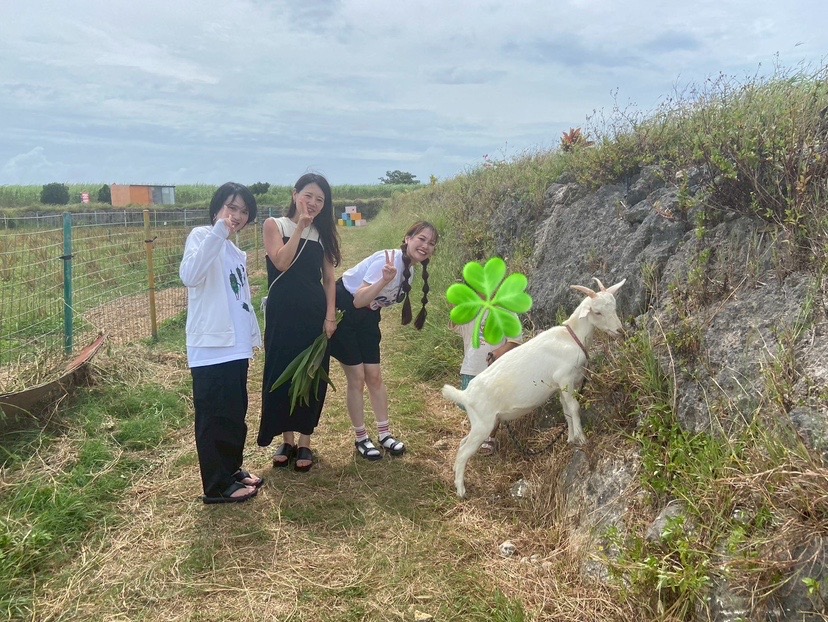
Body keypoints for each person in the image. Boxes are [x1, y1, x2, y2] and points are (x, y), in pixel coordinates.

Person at [179, 182, 263, 504]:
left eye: (243, 211)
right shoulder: (202, 236)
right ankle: (216, 486)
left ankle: (231, 469)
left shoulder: (236, 252)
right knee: (213, 418)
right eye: (231, 207)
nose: (237, 215)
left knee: (234, 413)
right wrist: (217, 232)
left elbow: (240, 299)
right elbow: (190, 275)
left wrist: (251, 337)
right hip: (211, 349)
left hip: (235, 347)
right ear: (216, 210)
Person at [328, 221, 439, 460]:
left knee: (375, 376)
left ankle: (385, 433)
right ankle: (361, 438)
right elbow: (358, 300)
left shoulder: (411, 269)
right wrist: (384, 280)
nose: (425, 246)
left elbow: (372, 304)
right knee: (357, 378)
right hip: (344, 310)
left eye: (431, 243)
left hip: (368, 316)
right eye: (421, 238)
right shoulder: (387, 260)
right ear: (408, 238)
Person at [257, 173, 341, 473]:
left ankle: (305, 440)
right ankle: (287, 438)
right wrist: (300, 228)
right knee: (281, 369)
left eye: (320, 199)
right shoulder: (274, 225)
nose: (314, 203)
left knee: (311, 373)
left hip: (313, 312)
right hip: (282, 311)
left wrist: (330, 315)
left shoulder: (324, 234)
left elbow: (329, 279)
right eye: (308, 196)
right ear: (295, 195)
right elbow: (281, 262)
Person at [450, 314, 522, 455]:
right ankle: (478, 431)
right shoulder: (472, 308)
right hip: (470, 367)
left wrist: (498, 352)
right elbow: (456, 321)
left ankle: (489, 437)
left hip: (493, 369)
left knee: (492, 405)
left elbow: (515, 340)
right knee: (471, 403)